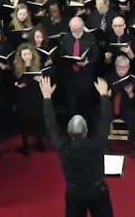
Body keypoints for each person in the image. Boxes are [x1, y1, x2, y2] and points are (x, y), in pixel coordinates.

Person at [40, 76, 114, 217]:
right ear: (86, 130)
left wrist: (47, 98)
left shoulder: (63, 147)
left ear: (68, 132)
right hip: (98, 190)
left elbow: (51, 126)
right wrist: (104, 95)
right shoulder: (97, 143)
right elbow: (105, 119)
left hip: (75, 194)